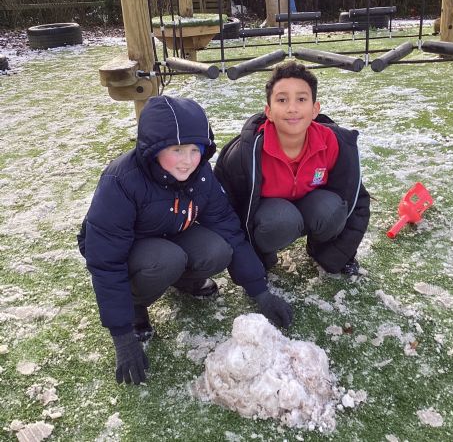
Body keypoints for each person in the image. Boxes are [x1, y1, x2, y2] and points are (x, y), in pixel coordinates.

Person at [77, 96, 293, 386]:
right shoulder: (122, 181)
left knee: (217, 248)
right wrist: (122, 336)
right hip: (129, 249)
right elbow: (106, 261)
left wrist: (261, 292)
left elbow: (229, 229)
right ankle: (136, 304)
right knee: (166, 259)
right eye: (177, 150)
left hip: (169, 230)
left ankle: (184, 281)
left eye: (195, 150)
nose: (188, 160)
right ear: (154, 149)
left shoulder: (200, 174)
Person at [214, 61, 370, 277]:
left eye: (301, 99)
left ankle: (320, 250)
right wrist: (251, 262)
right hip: (272, 219)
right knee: (282, 220)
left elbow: (355, 200)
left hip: (312, 207)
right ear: (268, 111)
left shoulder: (334, 143)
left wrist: (338, 255)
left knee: (332, 208)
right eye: (282, 100)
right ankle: (265, 254)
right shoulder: (245, 152)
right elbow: (225, 208)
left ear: (315, 109)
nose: (292, 108)